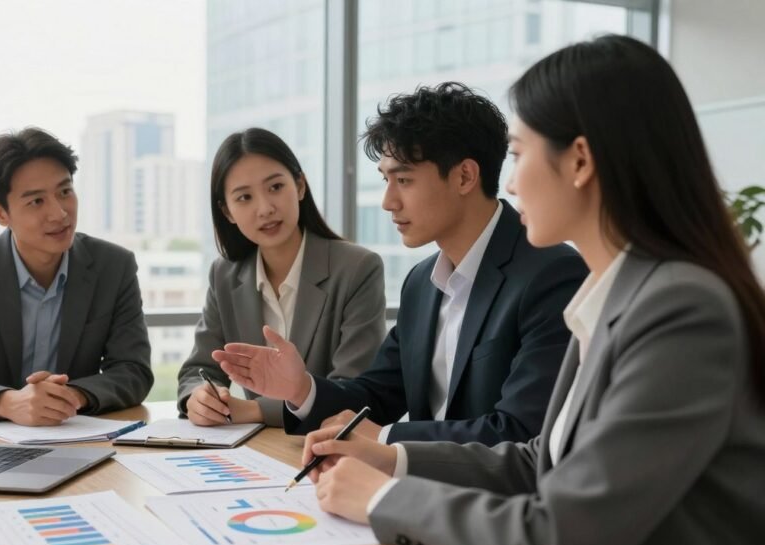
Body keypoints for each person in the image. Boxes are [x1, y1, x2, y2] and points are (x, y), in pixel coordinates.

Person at [300, 35, 765, 545]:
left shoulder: (680, 310)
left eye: (519, 155)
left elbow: (560, 538)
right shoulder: (617, 294)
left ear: (580, 161)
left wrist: (382, 501)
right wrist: (392, 459)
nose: (513, 182)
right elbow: (538, 460)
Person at [212, 83, 587, 445]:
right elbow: (379, 394)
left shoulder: (551, 275)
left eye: (403, 180)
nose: (388, 201)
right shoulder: (422, 281)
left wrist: (386, 437)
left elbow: (522, 430)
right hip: (415, 487)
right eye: (385, 180)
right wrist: (300, 388)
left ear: (465, 176)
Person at [0, 128, 153, 425]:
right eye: (36, 202)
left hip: (77, 436)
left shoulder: (113, 266)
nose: (59, 213)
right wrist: (6, 403)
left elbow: (133, 370)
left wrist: (71, 396)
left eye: (64, 192)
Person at [178, 128, 387, 427]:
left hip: (332, 446)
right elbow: (199, 368)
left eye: (275, 187)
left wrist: (255, 411)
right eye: (245, 197)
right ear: (228, 212)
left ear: (300, 186)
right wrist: (199, 397)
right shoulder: (224, 274)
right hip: (261, 450)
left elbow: (353, 389)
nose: (265, 208)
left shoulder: (357, 268)